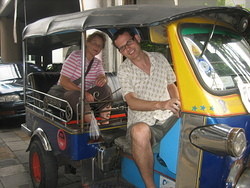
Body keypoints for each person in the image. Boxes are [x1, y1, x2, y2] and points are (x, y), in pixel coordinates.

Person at [113, 28, 181, 188]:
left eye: (129, 42)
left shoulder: (159, 58)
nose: (127, 49)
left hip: (168, 118)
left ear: (137, 38)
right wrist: (161, 104)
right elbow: (131, 101)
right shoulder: (124, 70)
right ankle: (150, 185)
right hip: (144, 122)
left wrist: (176, 101)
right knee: (139, 132)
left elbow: (171, 84)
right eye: (122, 48)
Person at [59, 31, 112, 123]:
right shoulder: (75, 56)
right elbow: (64, 82)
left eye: (100, 46)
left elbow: (102, 76)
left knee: (105, 89)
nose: (96, 47)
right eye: (94, 43)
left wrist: (103, 79)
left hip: (86, 94)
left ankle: (105, 122)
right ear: (87, 43)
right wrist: (84, 93)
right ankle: (94, 126)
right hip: (67, 93)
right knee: (78, 96)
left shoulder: (97, 63)